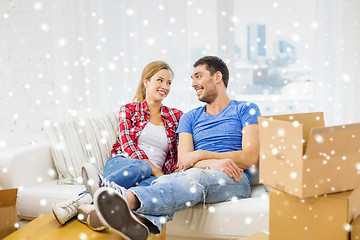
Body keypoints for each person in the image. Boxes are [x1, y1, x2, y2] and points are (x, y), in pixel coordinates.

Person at [82, 56, 261, 240]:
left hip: (235, 178)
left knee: (193, 176)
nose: (193, 84)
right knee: (164, 181)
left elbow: (250, 158)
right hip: (197, 173)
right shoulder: (189, 118)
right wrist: (215, 163)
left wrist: (201, 155)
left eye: (198, 76)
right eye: (192, 78)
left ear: (217, 77)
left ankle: (126, 199)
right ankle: (138, 222)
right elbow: (184, 162)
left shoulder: (246, 109)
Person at [52, 61, 183, 231]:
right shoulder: (128, 110)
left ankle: (100, 213)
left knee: (153, 191)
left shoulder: (176, 116)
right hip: (124, 164)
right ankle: (79, 201)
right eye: (160, 80)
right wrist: (157, 171)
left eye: (169, 82)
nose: (165, 86)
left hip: (151, 177)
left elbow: (180, 151)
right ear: (146, 81)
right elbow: (128, 145)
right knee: (142, 165)